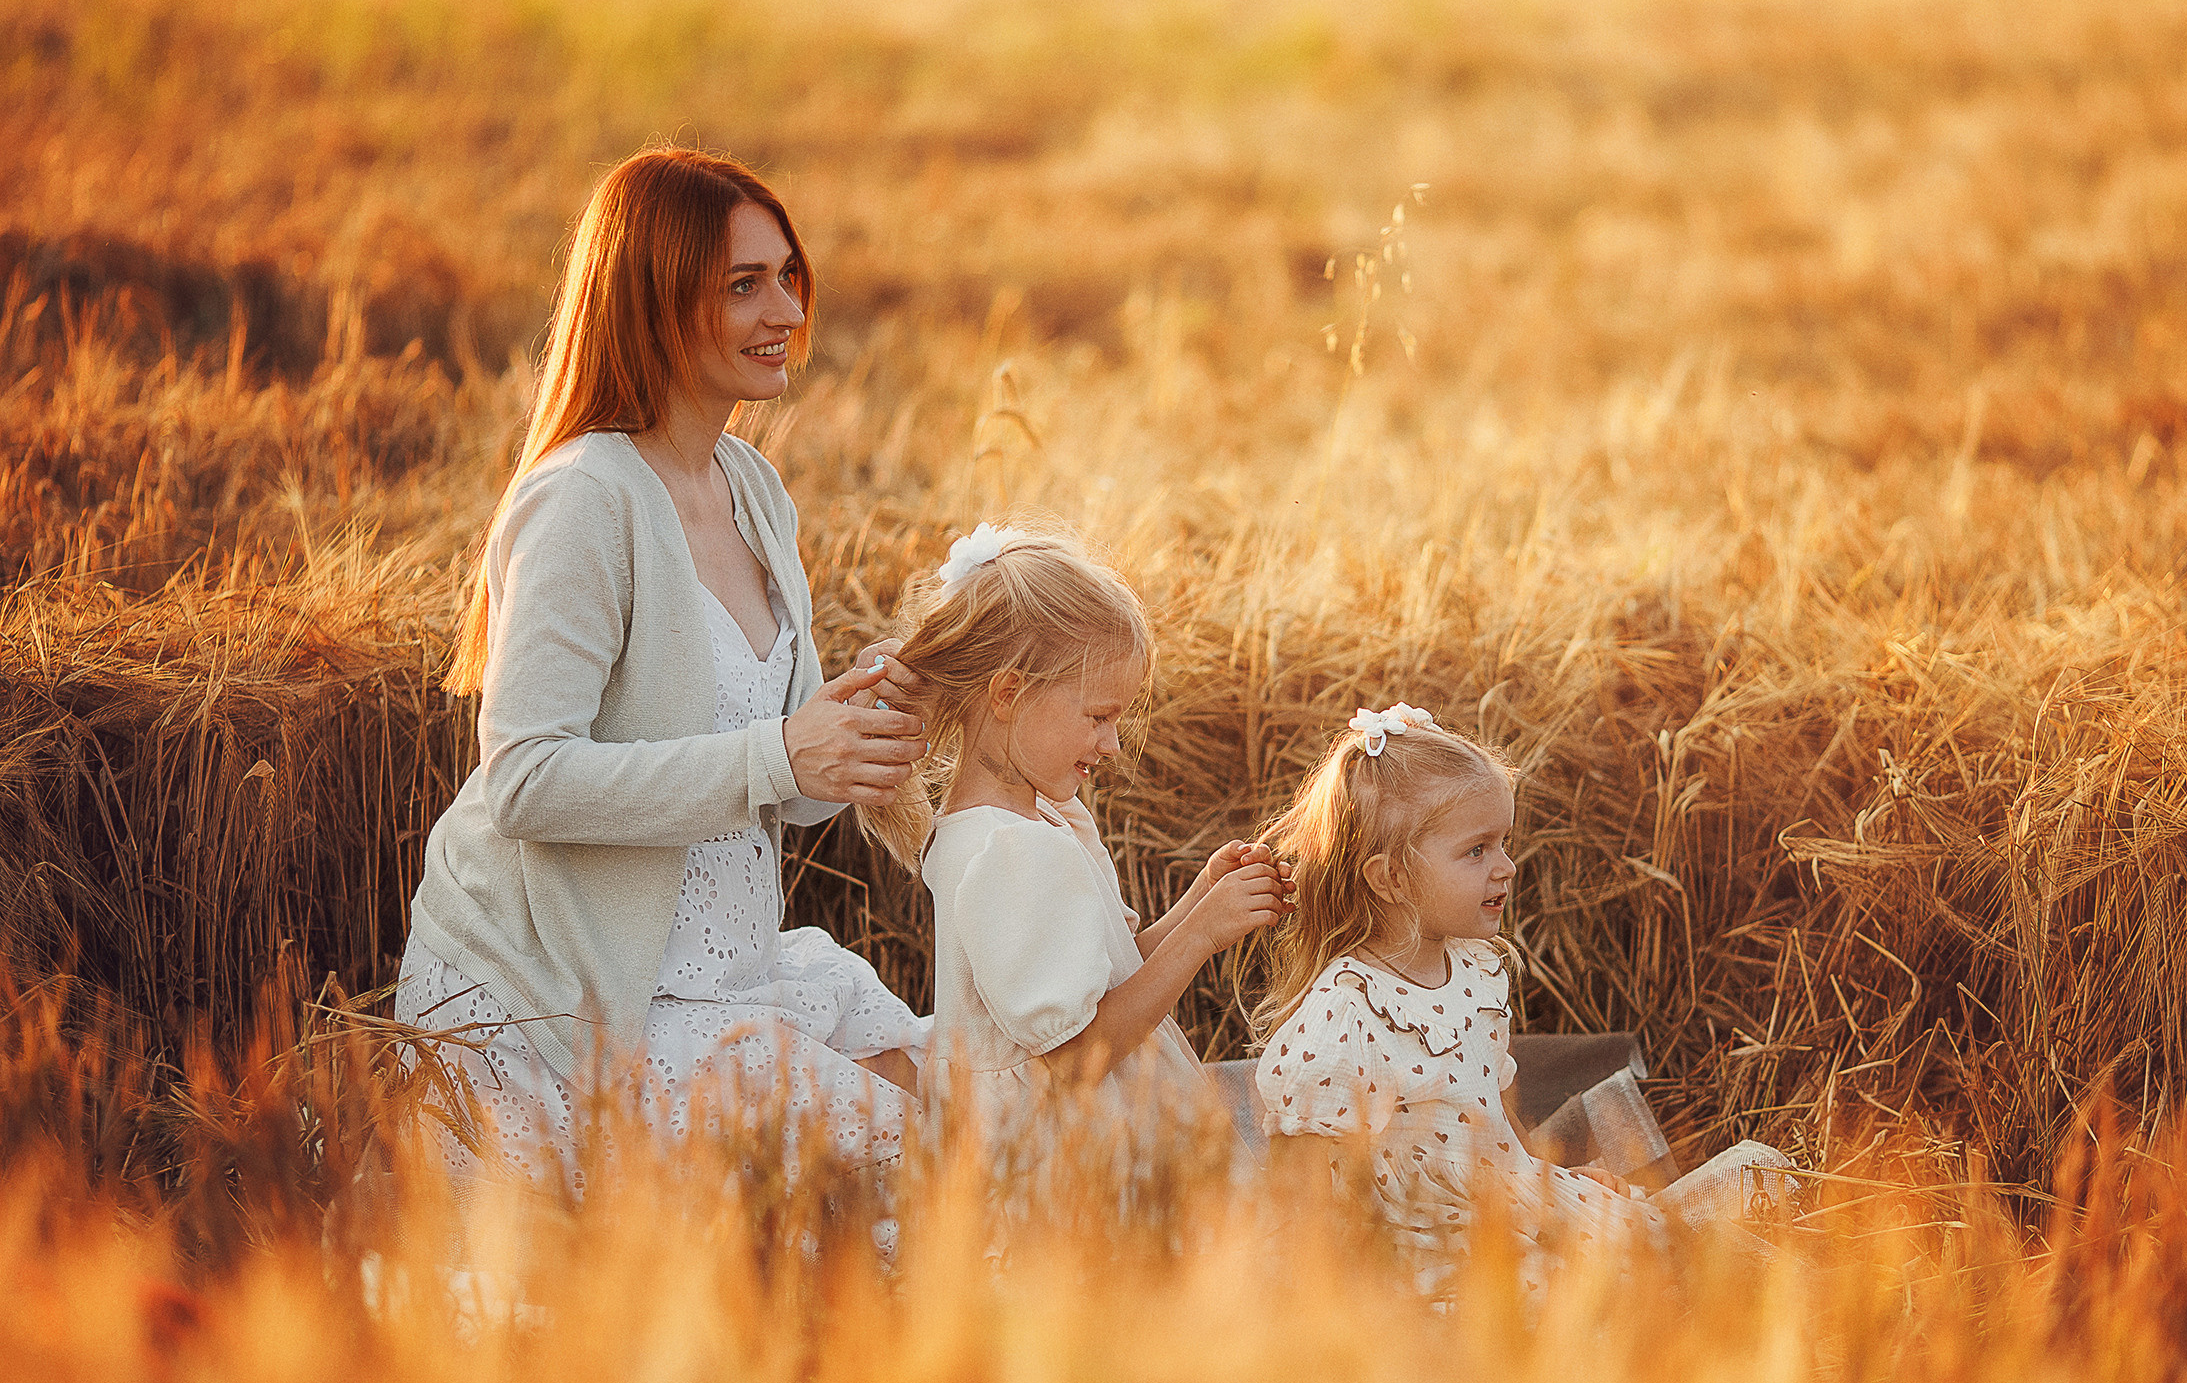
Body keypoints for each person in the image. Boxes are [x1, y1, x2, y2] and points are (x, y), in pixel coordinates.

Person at [396, 146, 930, 1195]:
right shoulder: (582, 499)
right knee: (912, 1174)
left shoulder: (752, 486)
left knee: (940, 1102)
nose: (784, 308)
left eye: (787, 274)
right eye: (742, 284)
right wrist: (777, 750)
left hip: (730, 976)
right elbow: (527, 780)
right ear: (651, 299)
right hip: (586, 1002)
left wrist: (853, 730)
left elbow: (792, 793)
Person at [1253, 702, 1796, 1293]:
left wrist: (1557, 1180)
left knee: (1761, 1168)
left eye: (1504, 843)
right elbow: (1303, 1204)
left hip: (1521, 1210)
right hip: (1444, 1264)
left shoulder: (1475, 971)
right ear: (1391, 879)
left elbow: (1493, 1131)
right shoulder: (1344, 1014)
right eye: (1476, 850)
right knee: (1627, 1290)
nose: (1506, 867)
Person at [859, 524, 1290, 1159]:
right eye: (1098, 716)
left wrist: (1200, 902)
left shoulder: (1038, 821)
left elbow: (1106, 973)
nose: (1112, 744)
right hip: (1065, 1159)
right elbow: (1079, 1053)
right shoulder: (1004, 853)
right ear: (1009, 693)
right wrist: (1202, 937)